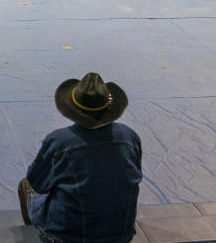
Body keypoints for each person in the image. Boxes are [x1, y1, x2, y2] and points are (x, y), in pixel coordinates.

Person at [19, 73, 141, 243]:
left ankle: (37, 237)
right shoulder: (130, 137)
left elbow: (37, 183)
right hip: (122, 236)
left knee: (25, 185)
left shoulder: (58, 141)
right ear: (109, 108)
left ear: (74, 108)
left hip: (67, 238)